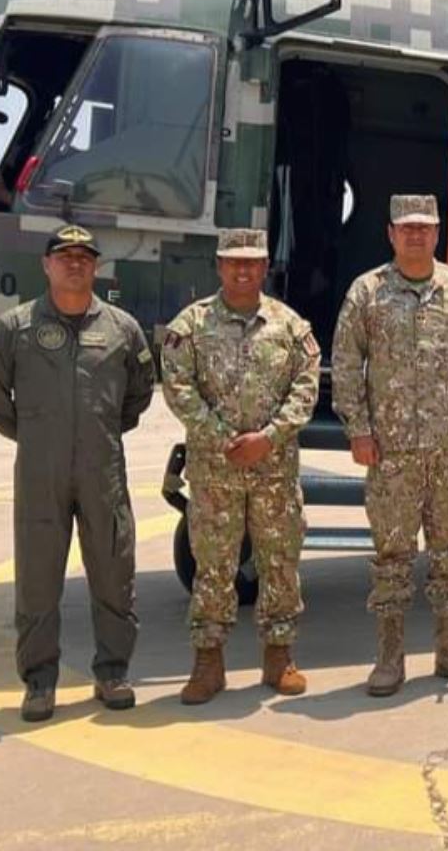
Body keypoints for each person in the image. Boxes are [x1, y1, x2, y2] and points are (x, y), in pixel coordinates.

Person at [0, 224, 156, 721]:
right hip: (40, 472)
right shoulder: (15, 328)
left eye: (84, 256)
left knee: (115, 574)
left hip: (103, 470)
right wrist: (34, 436)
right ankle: (38, 682)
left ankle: (113, 673)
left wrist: (102, 431)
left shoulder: (122, 328)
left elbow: (139, 393)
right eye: (64, 255)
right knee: (37, 580)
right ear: (46, 265)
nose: (74, 263)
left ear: (95, 266)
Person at [332, 195, 448, 697]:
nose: (415, 235)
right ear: (390, 233)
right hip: (389, 454)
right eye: (406, 228)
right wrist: (358, 429)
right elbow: (346, 364)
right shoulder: (367, 292)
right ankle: (389, 657)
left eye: (425, 228)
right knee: (392, 556)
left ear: (437, 234)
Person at [161, 228, 321, 704]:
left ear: (265, 266)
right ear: (219, 266)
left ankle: (279, 657)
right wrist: (224, 437)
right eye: (233, 262)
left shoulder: (290, 327)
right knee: (212, 566)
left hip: (274, 472)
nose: (243, 270)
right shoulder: (190, 326)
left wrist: (268, 438)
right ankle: (208, 663)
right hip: (216, 473)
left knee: (280, 563)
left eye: (252, 262)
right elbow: (178, 388)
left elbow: (306, 388)